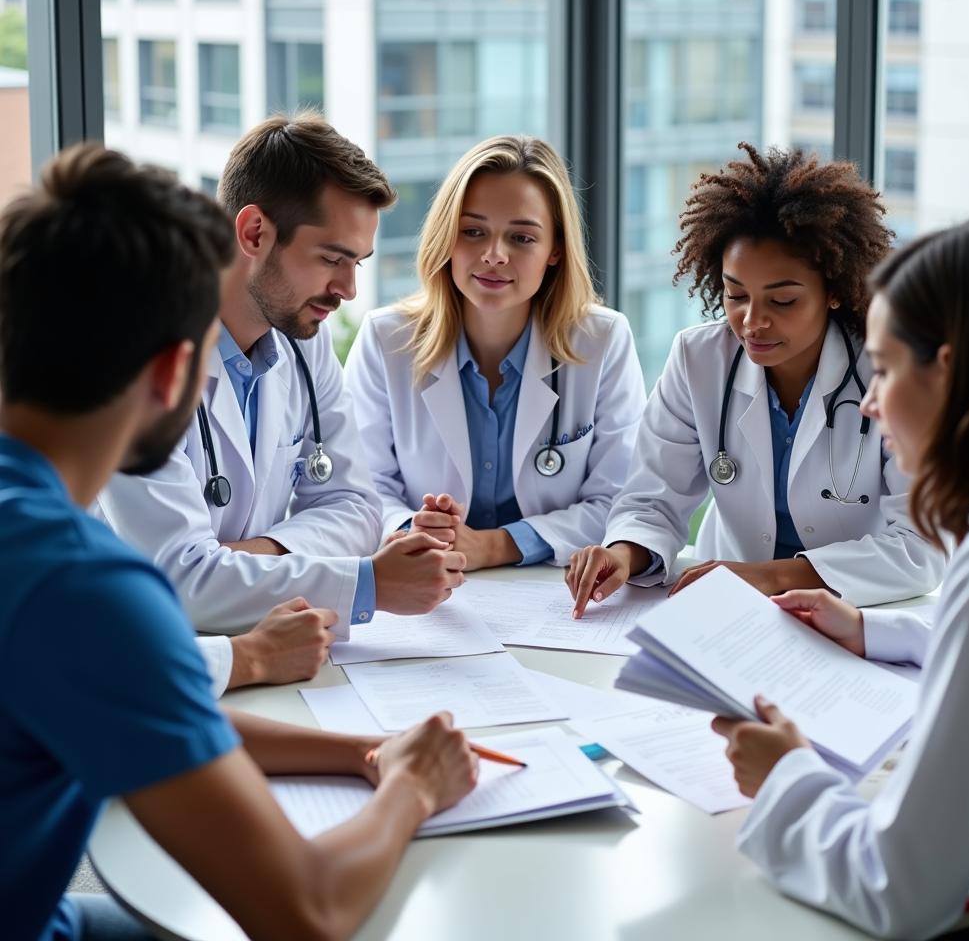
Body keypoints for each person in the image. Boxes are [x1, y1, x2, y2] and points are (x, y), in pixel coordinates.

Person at [0, 143, 478, 941]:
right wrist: (413, 788)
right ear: (171, 372)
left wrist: (368, 753)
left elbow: (150, 697)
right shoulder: (84, 589)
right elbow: (306, 913)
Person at [710, 215, 969, 939]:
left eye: (882, 370)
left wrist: (786, 775)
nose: (873, 403)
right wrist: (876, 631)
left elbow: (901, 887)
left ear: (946, 369)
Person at [98, 115, 466, 692]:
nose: (347, 290)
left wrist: (252, 554)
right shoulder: (137, 353)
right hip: (142, 676)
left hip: (251, 668)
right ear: (252, 234)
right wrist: (368, 585)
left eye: (357, 264)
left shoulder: (301, 341)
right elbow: (175, 580)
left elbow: (357, 508)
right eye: (331, 258)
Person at [567, 143, 944, 617]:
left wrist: (768, 577)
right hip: (729, 608)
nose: (751, 322)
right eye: (735, 294)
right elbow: (651, 497)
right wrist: (623, 552)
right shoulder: (698, 358)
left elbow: (921, 548)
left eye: (782, 301)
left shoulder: (884, 370)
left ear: (833, 291)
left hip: (856, 612)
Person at [345, 135, 646, 570]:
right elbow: (362, 487)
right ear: (447, 237)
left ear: (555, 249)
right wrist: (416, 530)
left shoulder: (602, 341)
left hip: (549, 590)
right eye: (473, 232)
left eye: (522, 238)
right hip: (425, 582)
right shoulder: (385, 339)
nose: (493, 255)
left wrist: (493, 546)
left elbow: (617, 500)